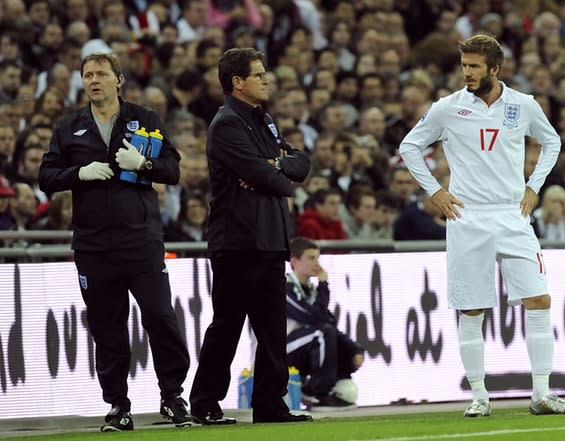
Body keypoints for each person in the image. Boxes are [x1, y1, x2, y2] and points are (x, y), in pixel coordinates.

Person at [398, 34, 565, 418]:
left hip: (513, 215)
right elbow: (409, 146)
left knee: (539, 299)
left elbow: (552, 142)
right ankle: (479, 395)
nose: (467, 72)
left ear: (495, 69)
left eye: (474, 66)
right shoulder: (447, 108)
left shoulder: (522, 104)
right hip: (468, 216)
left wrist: (534, 186)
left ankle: (542, 394)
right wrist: (435, 191)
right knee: (473, 308)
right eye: (464, 65)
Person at [38, 51, 192, 432]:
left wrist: (145, 165)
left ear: (118, 79)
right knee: (108, 327)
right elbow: (47, 176)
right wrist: (79, 172)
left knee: (160, 316)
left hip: (141, 241)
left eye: (101, 74)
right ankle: (118, 405)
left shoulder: (144, 119)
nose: (94, 80)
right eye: (88, 75)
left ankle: (172, 396)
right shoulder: (69, 125)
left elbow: (173, 170)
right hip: (93, 246)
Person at [189, 47, 312, 425]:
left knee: (273, 330)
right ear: (237, 83)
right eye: (259, 75)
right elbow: (266, 176)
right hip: (238, 241)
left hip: (272, 239)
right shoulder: (226, 124)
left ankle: (270, 405)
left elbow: (300, 164)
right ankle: (205, 402)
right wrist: (275, 171)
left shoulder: (264, 120)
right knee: (228, 324)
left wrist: (274, 166)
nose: (266, 79)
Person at [286, 237, 364, 409]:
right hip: (283, 350)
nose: (317, 263)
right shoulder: (285, 286)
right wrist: (324, 284)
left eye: (318, 258)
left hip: (306, 345)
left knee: (348, 391)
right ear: (295, 261)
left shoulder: (313, 291)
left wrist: (354, 349)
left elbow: (328, 321)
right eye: (311, 258)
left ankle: (333, 384)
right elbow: (309, 316)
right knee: (323, 332)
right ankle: (316, 391)